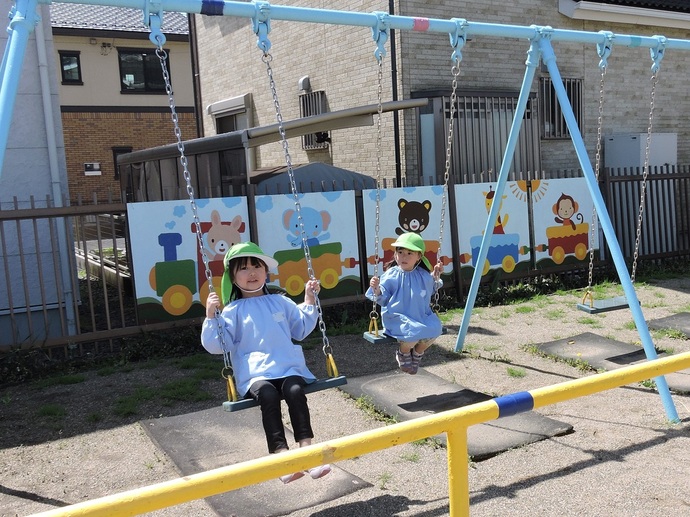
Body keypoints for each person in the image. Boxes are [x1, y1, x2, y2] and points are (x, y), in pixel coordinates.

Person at [201, 241, 331, 484]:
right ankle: (282, 459)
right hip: (256, 375)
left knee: (295, 391)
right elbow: (218, 345)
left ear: (265, 271)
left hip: (287, 367)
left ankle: (307, 452)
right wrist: (211, 316)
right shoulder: (232, 311)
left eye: (256, 266)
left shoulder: (280, 302)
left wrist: (309, 299)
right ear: (233, 276)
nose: (251, 273)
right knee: (269, 396)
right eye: (243, 268)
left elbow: (300, 329)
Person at [366, 232, 443, 375]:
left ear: (419, 257)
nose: (404, 257)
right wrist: (375, 288)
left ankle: (417, 353)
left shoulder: (422, 274)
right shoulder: (392, 274)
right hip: (397, 317)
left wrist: (435, 275)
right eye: (400, 252)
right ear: (395, 255)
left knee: (436, 329)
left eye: (409, 253)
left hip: (420, 315)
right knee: (413, 332)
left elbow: (430, 286)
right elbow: (381, 295)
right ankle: (403, 352)